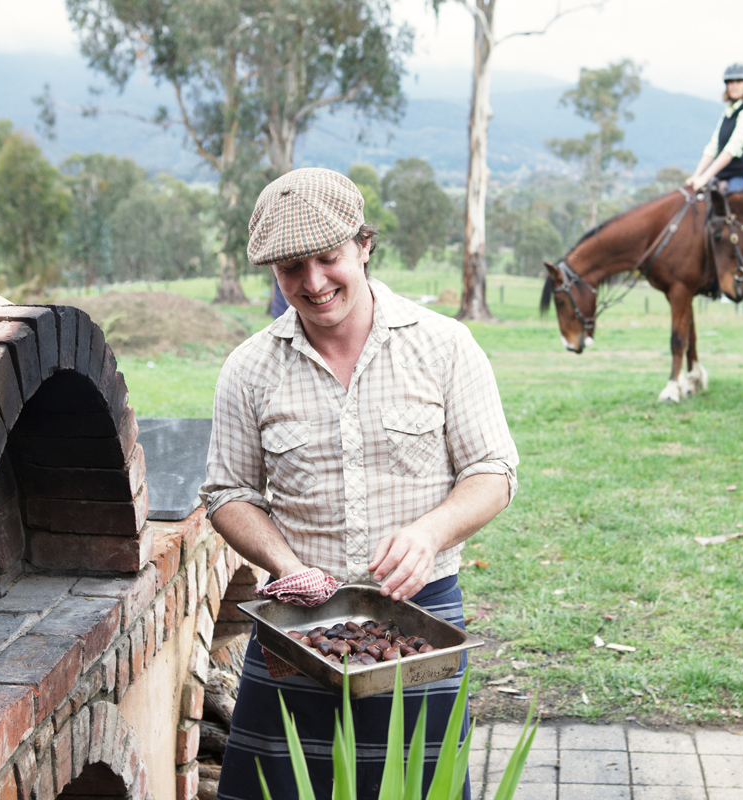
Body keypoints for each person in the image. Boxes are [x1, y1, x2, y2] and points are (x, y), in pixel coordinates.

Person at [200, 168, 519, 800]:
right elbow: (227, 494)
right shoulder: (249, 369)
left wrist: (431, 534)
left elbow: (494, 471)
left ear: (364, 245)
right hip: (293, 629)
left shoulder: (444, 346)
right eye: (291, 268)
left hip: (419, 624)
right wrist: (285, 564)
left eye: (328, 258)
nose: (314, 283)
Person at [687, 63, 743, 193]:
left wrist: (705, 177)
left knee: (733, 204)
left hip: (742, 177)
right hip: (723, 175)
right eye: (730, 82)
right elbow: (713, 147)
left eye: (739, 81)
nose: (734, 85)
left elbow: (731, 150)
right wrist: (696, 176)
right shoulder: (728, 112)